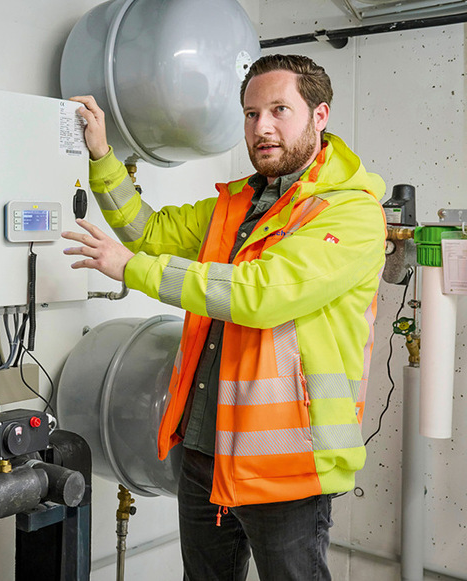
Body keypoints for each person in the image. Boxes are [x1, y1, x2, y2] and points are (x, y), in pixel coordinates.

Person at [64, 54, 387, 581]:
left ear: (320, 116)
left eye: (280, 110)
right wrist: (102, 155)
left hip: (287, 466)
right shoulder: (238, 203)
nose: (261, 128)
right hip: (204, 451)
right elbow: (149, 232)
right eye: (250, 113)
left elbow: (262, 295)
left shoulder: (348, 213)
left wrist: (133, 271)